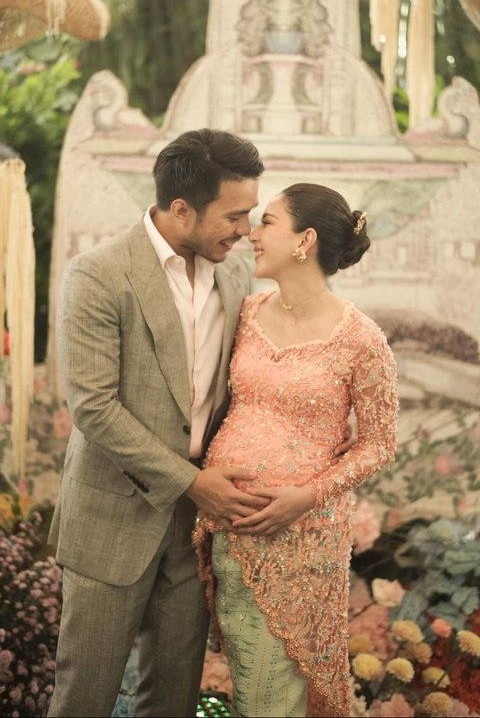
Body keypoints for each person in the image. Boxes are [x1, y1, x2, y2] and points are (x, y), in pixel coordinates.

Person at [47, 131, 354, 718]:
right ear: (181, 208)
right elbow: (93, 406)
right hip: (113, 516)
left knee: (174, 700)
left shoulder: (238, 278)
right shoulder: (98, 274)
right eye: (234, 215)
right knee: (84, 696)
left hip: (198, 530)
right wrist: (191, 481)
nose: (246, 230)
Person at [194, 183, 399, 718]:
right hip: (223, 527)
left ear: (304, 239)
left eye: (266, 223)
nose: (251, 235)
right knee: (243, 677)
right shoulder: (246, 313)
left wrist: (306, 496)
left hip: (299, 543)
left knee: (275, 693)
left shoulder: (361, 339)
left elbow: (379, 444)